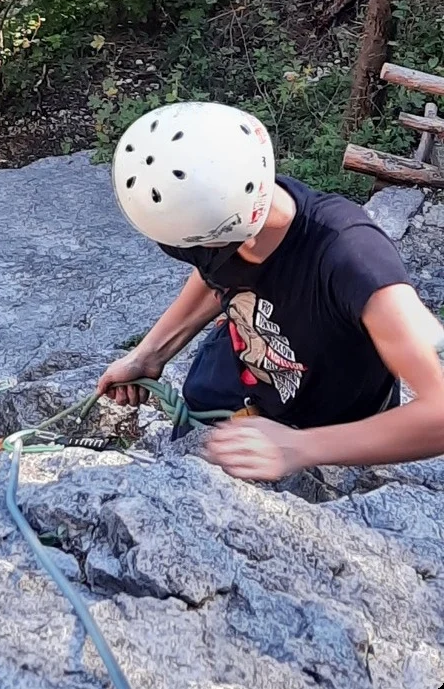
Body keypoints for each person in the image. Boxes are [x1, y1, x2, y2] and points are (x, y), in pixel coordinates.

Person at [96, 101, 444, 482]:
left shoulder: (355, 262)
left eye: (193, 248)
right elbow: (216, 273)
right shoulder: (231, 211)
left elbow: (438, 415)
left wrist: (299, 448)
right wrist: (151, 353)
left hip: (330, 428)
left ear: (223, 237)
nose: (194, 257)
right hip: (230, 384)